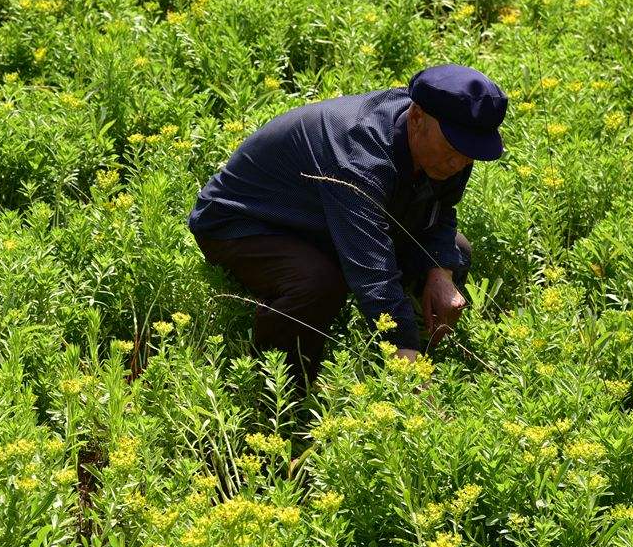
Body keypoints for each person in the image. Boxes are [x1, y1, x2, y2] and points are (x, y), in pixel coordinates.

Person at [187, 63, 508, 393]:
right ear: (416, 118)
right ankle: (282, 393)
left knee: (455, 252)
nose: (461, 163)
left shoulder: (446, 147)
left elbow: (439, 213)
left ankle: (411, 352)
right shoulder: (360, 156)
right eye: (455, 148)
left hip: (320, 219)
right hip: (244, 221)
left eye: (472, 153)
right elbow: (372, 270)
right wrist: (407, 366)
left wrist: (441, 273)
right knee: (319, 282)